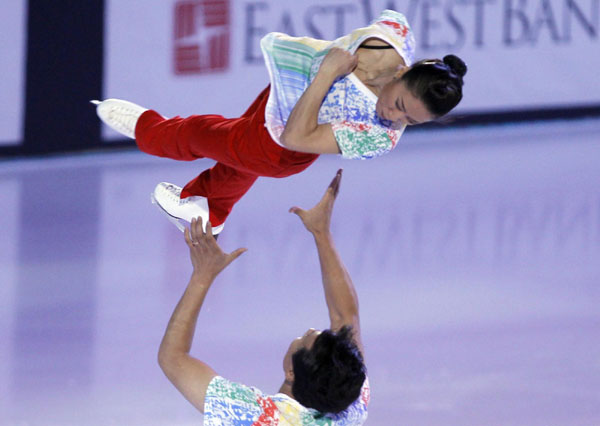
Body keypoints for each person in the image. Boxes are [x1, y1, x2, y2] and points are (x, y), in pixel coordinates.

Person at [93, 9, 467, 234]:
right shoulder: (391, 38)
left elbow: (294, 137)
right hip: (280, 94)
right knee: (233, 168)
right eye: (400, 104)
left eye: (410, 121)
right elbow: (393, 17)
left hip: (280, 148)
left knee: (198, 132)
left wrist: (327, 74)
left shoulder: (377, 137)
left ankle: (146, 129)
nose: (395, 118)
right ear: (406, 70)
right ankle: (211, 210)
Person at [158, 169, 370, 424]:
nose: (310, 329)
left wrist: (202, 276)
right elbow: (346, 315)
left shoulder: (255, 416)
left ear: (291, 372)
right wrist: (322, 234)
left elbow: (173, 358)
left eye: (304, 338)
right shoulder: (347, 405)